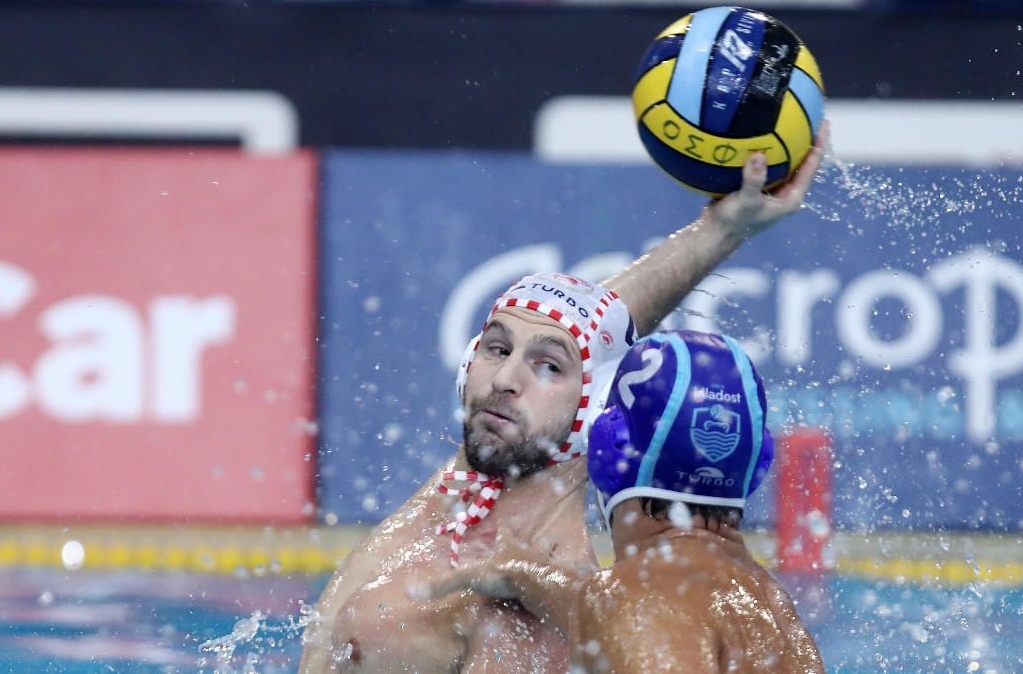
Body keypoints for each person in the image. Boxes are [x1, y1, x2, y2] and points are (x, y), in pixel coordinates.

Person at [298, 139, 826, 673]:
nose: (505, 379)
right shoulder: (465, 503)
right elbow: (591, 326)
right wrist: (721, 229)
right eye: (497, 349)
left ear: (594, 411)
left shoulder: (532, 620)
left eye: (548, 367)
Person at [424, 331, 826, 674]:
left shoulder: (640, 604)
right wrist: (523, 573)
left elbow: (638, 616)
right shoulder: (772, 607)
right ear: (756, 467)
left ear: (608, 451)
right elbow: (610, 609)